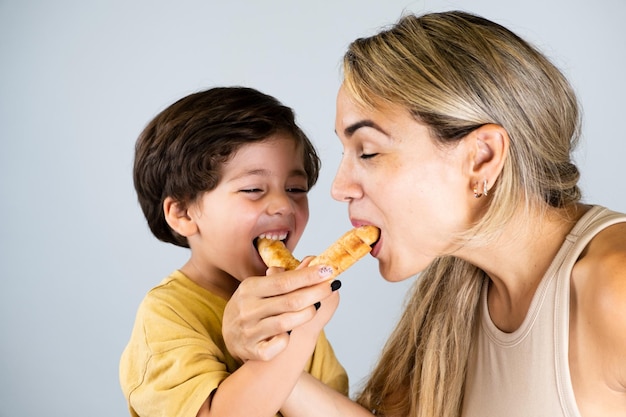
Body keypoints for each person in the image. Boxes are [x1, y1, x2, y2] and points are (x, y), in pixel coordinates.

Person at [221, 10, 626, 417]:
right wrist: (271, 357)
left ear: (481, 158)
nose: (338, 188)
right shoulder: (454, 289)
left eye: (368, 151)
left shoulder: (616, 286)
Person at [119, 86, 347, 417]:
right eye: (253, 189)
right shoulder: (169, 314)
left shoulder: (298, 310)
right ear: (183, 213)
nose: (284, 204)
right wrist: (300, 334)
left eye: (295, 189)